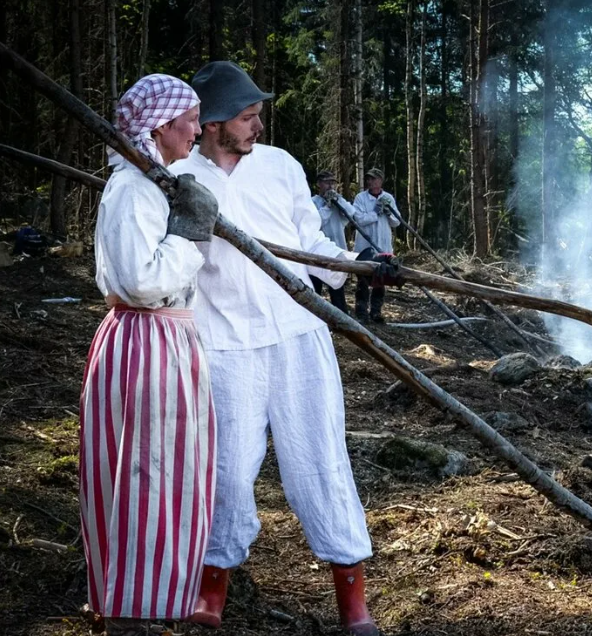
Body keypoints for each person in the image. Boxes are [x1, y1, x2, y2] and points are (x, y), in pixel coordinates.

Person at [168, 61, 379, 636]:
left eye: (258, 113)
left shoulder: (281, 164)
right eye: (247, 116)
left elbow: (309, 239)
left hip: (296, 336)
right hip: (224, 344)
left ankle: (352, 599)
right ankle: (212, 587)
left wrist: (355, 268)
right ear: (211, 124)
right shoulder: (181, 176)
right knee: (228, 471)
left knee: (320, 461)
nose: (258, 124)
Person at [81, 74, 220, 635]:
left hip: (160, 341)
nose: (196, 128)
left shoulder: (149, 183)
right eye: (189, 119)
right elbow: (140, 279)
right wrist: (189, 236)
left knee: (163, 472)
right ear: (161, 126)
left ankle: (148, 597)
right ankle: (133, 612)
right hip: (147, 342)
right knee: (146, 474)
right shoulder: (133, 190)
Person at [349, 168, 400, 323]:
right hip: (365, 246)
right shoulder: (361, 198)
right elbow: (358, 219)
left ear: (380, 181)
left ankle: (376, 312)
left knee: (381, 279)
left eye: (374, 179)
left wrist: (388, 212)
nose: (370, 181)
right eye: (369, 179)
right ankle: (361, 312)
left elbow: (396, 222)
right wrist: (375, 213)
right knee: (363, 279)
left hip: (383, 246)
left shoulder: (388, 197)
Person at [311, 170, 355, 313]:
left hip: (337, 249)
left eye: (333, 183)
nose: (330, 186)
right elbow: (315, 222)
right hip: (318, 251)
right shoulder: (313, 202)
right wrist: (328, 207)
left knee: (337, 285)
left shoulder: (338, 201)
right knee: (315, 285)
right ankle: (315, 315)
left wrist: (338, 200)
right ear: (319, 184)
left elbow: (351, 213)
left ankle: (341, 315)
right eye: (327, 182)